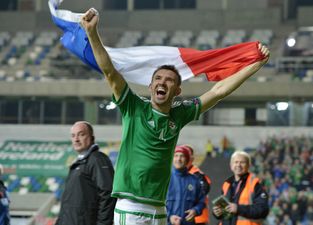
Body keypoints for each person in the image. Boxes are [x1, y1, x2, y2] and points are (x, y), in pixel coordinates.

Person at [80, 8, 270, 225]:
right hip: (130, 206)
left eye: (169, 80)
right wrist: (92, 33)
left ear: (177, 91)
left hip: (160, 208)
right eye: (157, 78)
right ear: (150, 86)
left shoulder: (179, 114)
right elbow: (110, 72)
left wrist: (255, 65)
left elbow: (218, 92)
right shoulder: (133, 107)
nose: (162, 82)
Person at [55, 121, 116, 225]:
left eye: (81, 134)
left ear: (92, 138)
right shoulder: (79, 163)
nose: (76, 139)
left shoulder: (97, 159)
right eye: (73, 136)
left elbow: (108, 193)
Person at [212, 151, 269, 225]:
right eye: (236, 162)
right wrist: (217, 213)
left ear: (248, 165)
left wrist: (238, 209)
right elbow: (225, 212)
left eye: (242, 162)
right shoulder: (226, 184)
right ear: (231, 165)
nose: (238, 165)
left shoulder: (255, 183)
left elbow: (263, 210)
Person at [166, 146, 205, 225]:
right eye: (176, 156)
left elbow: (202, 201)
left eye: (182, 156)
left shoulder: (195, 180)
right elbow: (158, 203)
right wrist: (169, 217)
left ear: (187, 160)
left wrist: (195, 210)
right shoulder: (165, 179)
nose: (178, 159)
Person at [183, 145, 212, 225]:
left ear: (191, 158)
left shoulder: (198, 175)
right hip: (182, 218)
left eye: (186, 156)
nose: (182, 159)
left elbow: (204, 190)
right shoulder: (177, 176)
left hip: (198, 219)